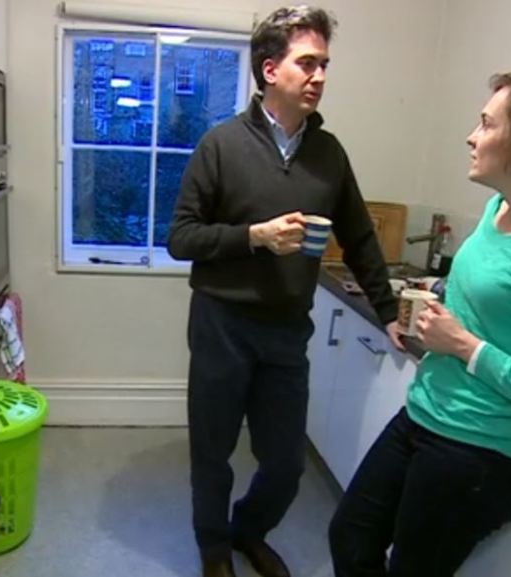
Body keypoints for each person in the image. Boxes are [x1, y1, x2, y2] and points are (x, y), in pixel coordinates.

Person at [328, 67, 511, 576]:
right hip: (422, 416)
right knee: (350, 537)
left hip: (477, 454)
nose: (471, 135)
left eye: (487, 124)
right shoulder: (495, 211)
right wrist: (440, 310)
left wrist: (465, 347)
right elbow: (490, 305)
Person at [167, 6, 400, 577]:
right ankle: (214, 547)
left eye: (324, 64)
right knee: (213, 452)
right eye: (307, 63)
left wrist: (390, 311)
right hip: (222, 323)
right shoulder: (220, 146)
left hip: (288, 330)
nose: (319, 75)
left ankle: (248, 530)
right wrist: (256, 237)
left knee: (286, 462)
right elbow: (181, 238)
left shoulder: (330, 154)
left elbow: (362, 237)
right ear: (270, 70)